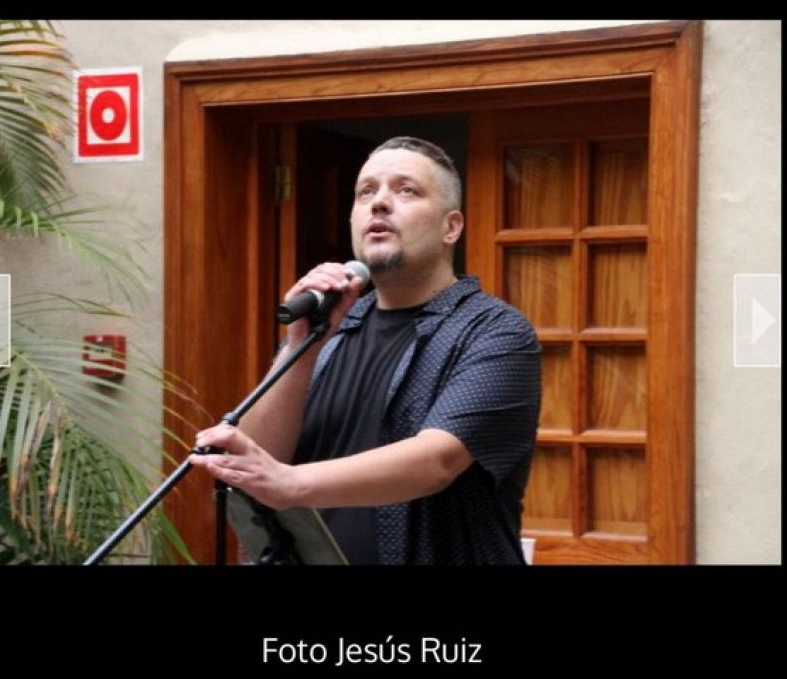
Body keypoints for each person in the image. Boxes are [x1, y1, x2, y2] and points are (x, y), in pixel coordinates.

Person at [189, 136, 541, 565]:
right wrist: (300, 345)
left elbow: (438, 460)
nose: (379, 203)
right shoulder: (328, 327)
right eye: (366, 192)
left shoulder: (494, 331)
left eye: (405, 190)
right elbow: (261, 454)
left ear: (452, 227)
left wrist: (290, 483)